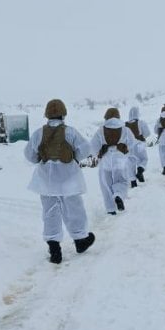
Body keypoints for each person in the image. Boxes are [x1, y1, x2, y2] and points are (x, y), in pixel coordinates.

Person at [24, 98, 95, 264]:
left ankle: (54, 249)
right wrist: (73, 158)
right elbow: (85, 149)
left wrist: (40, 160)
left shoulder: (38, 133)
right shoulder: (70, 132)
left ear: (47, 115)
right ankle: (80, 240)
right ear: (63, 114)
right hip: (68, 177)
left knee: (50, 212)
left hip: (45, 180)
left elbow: (29, 154)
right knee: (74, 209)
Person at [91, 107, 134, 214]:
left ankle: (111, 209)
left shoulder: (101, 130)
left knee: (106, 184)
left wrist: (100, 152)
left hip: (106, 159)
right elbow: (132, 143)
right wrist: (125, 150)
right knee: (122, 180)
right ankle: (118, 194)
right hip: (119, 158)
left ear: (106, 116)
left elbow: (93, 147)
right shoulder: (125, 129)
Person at [125, 105, 150, 185]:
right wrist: (142, 137)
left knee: (131, 163)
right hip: (139, 144)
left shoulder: (125, 125)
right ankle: (140, 171)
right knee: (144, 159)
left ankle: (133, 182)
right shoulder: (141, 123)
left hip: (129, 146)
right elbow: (147, 133)